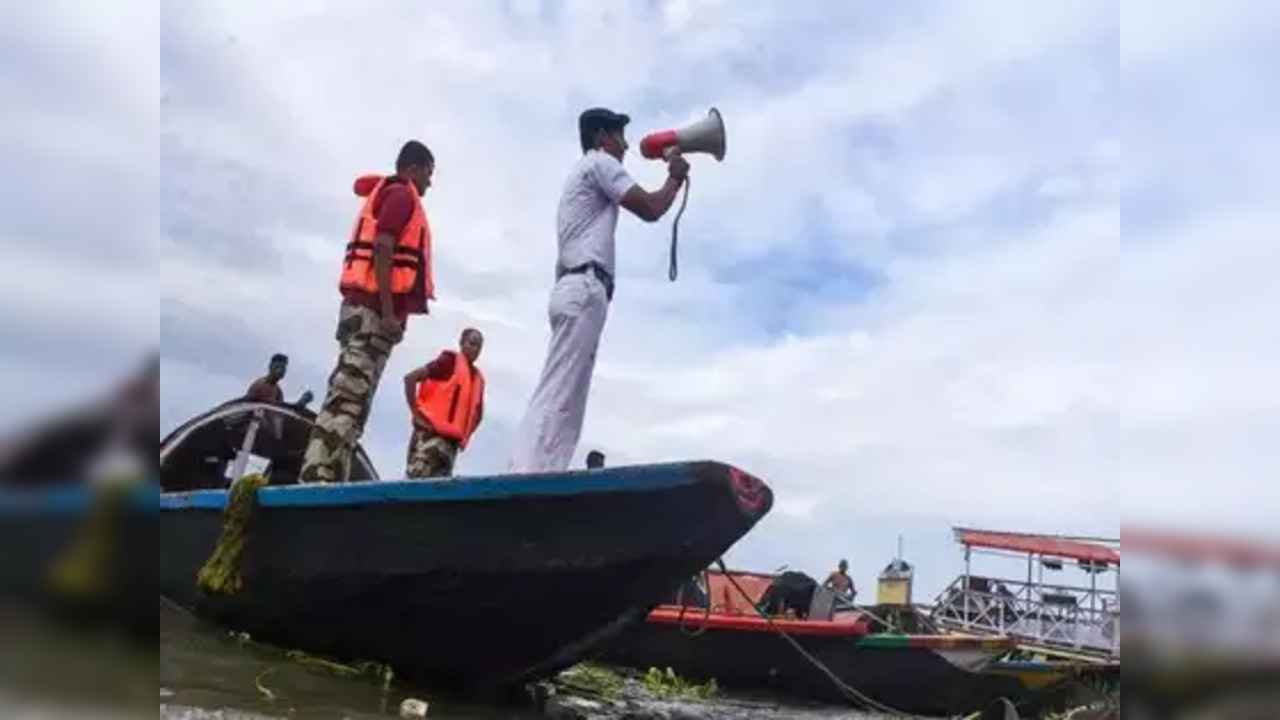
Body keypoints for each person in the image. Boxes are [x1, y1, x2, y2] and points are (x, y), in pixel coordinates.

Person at [508, 108, 689, 474]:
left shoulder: (587, 169)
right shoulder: (600, 163)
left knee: (570, 397)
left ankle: (545, 472)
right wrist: (673, 179)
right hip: (584, 285)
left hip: (581, 287)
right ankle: (526, 474)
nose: (625, 144)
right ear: (602, 137)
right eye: (620, 135)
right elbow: (651, 208)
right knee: (560, 391)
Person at [298, 140, 437, 483]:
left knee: (352, 400)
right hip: (371, 313)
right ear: (414, 169)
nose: (429, 184)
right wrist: (389, 313)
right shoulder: (401, 196)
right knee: (348, 401)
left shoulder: (396, 194)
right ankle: (318, 479)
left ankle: (330, 475)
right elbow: (383, 244)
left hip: (365, 314)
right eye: (428, 174)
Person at [402, 328, 486, 479]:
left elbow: (478, 415)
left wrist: (464, 436)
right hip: (430, 437)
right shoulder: (449, 362)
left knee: (436, 494)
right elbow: (410, 378)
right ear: (462, 343)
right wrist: (416, 415)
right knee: (415, 482)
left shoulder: (478, 380)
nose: (475, 349)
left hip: (450, 447)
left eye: (479, 346)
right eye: (472, 343)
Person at [245, 353, 314, 408]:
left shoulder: (278, 391)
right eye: (277, 367)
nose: (280, 370)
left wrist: (300, 403)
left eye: (283, 368)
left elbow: (280, 410)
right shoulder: (259, 385)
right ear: (270, 367)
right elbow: (247, 405)